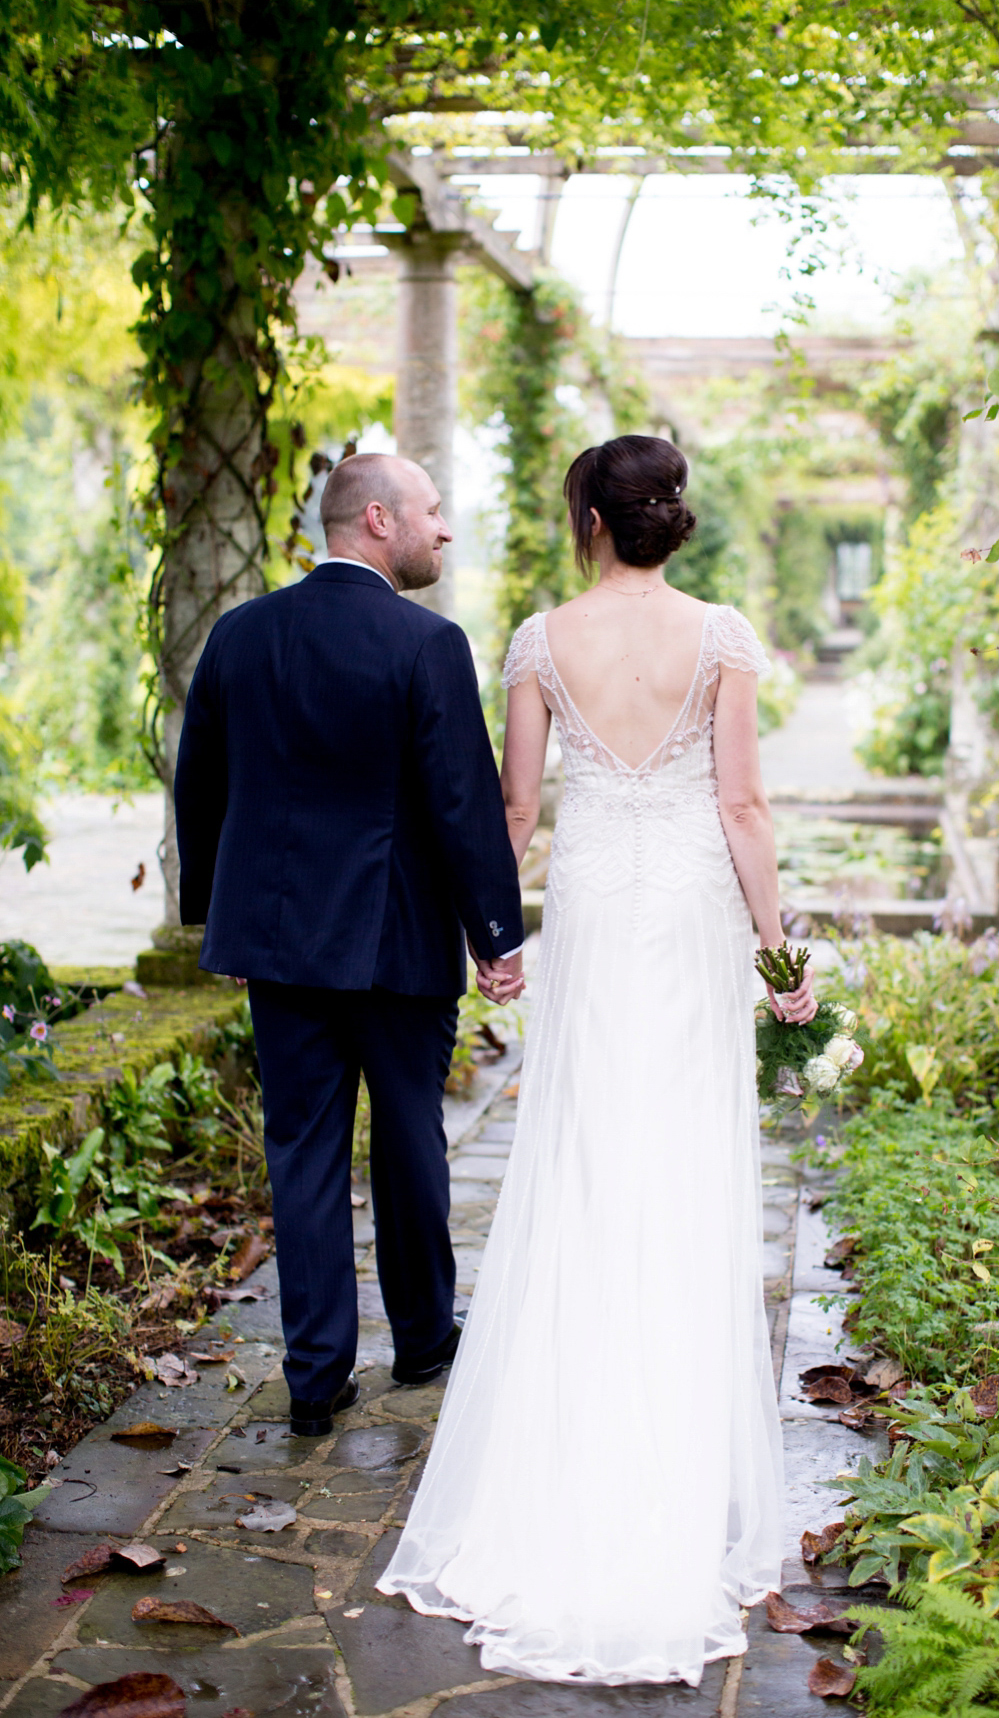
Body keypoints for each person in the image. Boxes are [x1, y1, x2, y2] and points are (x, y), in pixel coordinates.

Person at [377, 434, 816, 1685]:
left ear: (589, 519)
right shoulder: (721, 635)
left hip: (593, 913)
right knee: (681, 1162)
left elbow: (512, 811)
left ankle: (563, 1450)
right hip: (684, 912)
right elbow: (741, 806)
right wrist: (778, 948)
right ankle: (673, 1450)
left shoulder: (536, 638)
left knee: (581, 1161)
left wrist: (494, 941)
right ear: (668, 520)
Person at [173, 452, 525, 1439]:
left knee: (304, 1153)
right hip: (397, 941)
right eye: (432, 511)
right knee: (411, 1140)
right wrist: (494, 932)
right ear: (377, 519)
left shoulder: (240, 635)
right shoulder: (427, 641)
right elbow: (462, 803)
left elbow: (199, 784)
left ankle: (316, 1372)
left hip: (278, 944)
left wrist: (220, 917)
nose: (443, 529)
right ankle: (421, 1338)